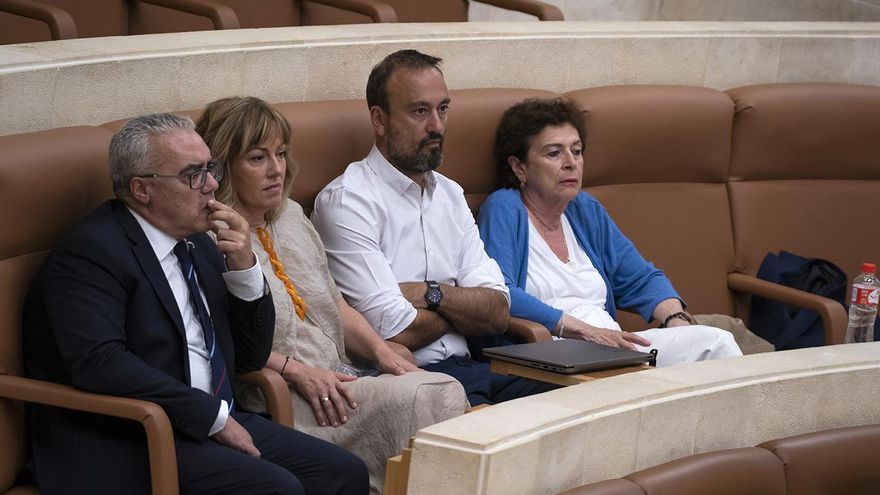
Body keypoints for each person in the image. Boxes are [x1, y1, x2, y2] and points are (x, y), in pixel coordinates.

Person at [22, 113, 369, 495]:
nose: (213, 185)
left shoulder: (199, 242)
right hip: (128, 436)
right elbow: (100, 364)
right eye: (193, 175)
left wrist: (245, 269)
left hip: (208, 421)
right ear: (142, 189)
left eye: (211, 169)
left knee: (344, 472)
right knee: (277, 488)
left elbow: (251, 356)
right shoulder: (92, 253)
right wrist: (210, 417)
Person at [195, 96, 468, 493]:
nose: (276, 169)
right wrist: (298, 371)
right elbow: (222, 341)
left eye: (281, 154)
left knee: (432, 386)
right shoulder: (207, 240)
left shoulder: (290, 215)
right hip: (284, 395)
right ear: (221, 167)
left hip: (343, 376)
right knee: (437, 395)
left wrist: (382, 353)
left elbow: (336, 305)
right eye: (257, 158)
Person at [311, 49, 559, 406]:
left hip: (475, 365)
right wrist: (463, 310)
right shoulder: (348, 202)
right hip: (408, 381)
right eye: (419, 111)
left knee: (577, 398)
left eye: (442, 109)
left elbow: (497, 310)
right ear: (379, 120)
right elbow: (393, 327)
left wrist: (432, 294)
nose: (437, 126)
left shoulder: (450, 194)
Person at [477, 98, 742, 366]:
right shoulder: (504, 207)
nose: (571, 163)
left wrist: (676, 320)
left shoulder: (584, 209)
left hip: (612, 344)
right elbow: (500, 293)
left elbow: (640, 278)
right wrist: (582, 330)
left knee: (715, 342)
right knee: (713, 347)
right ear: (519, 166)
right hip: (551, 353)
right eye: (554, 153)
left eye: (577, 151)